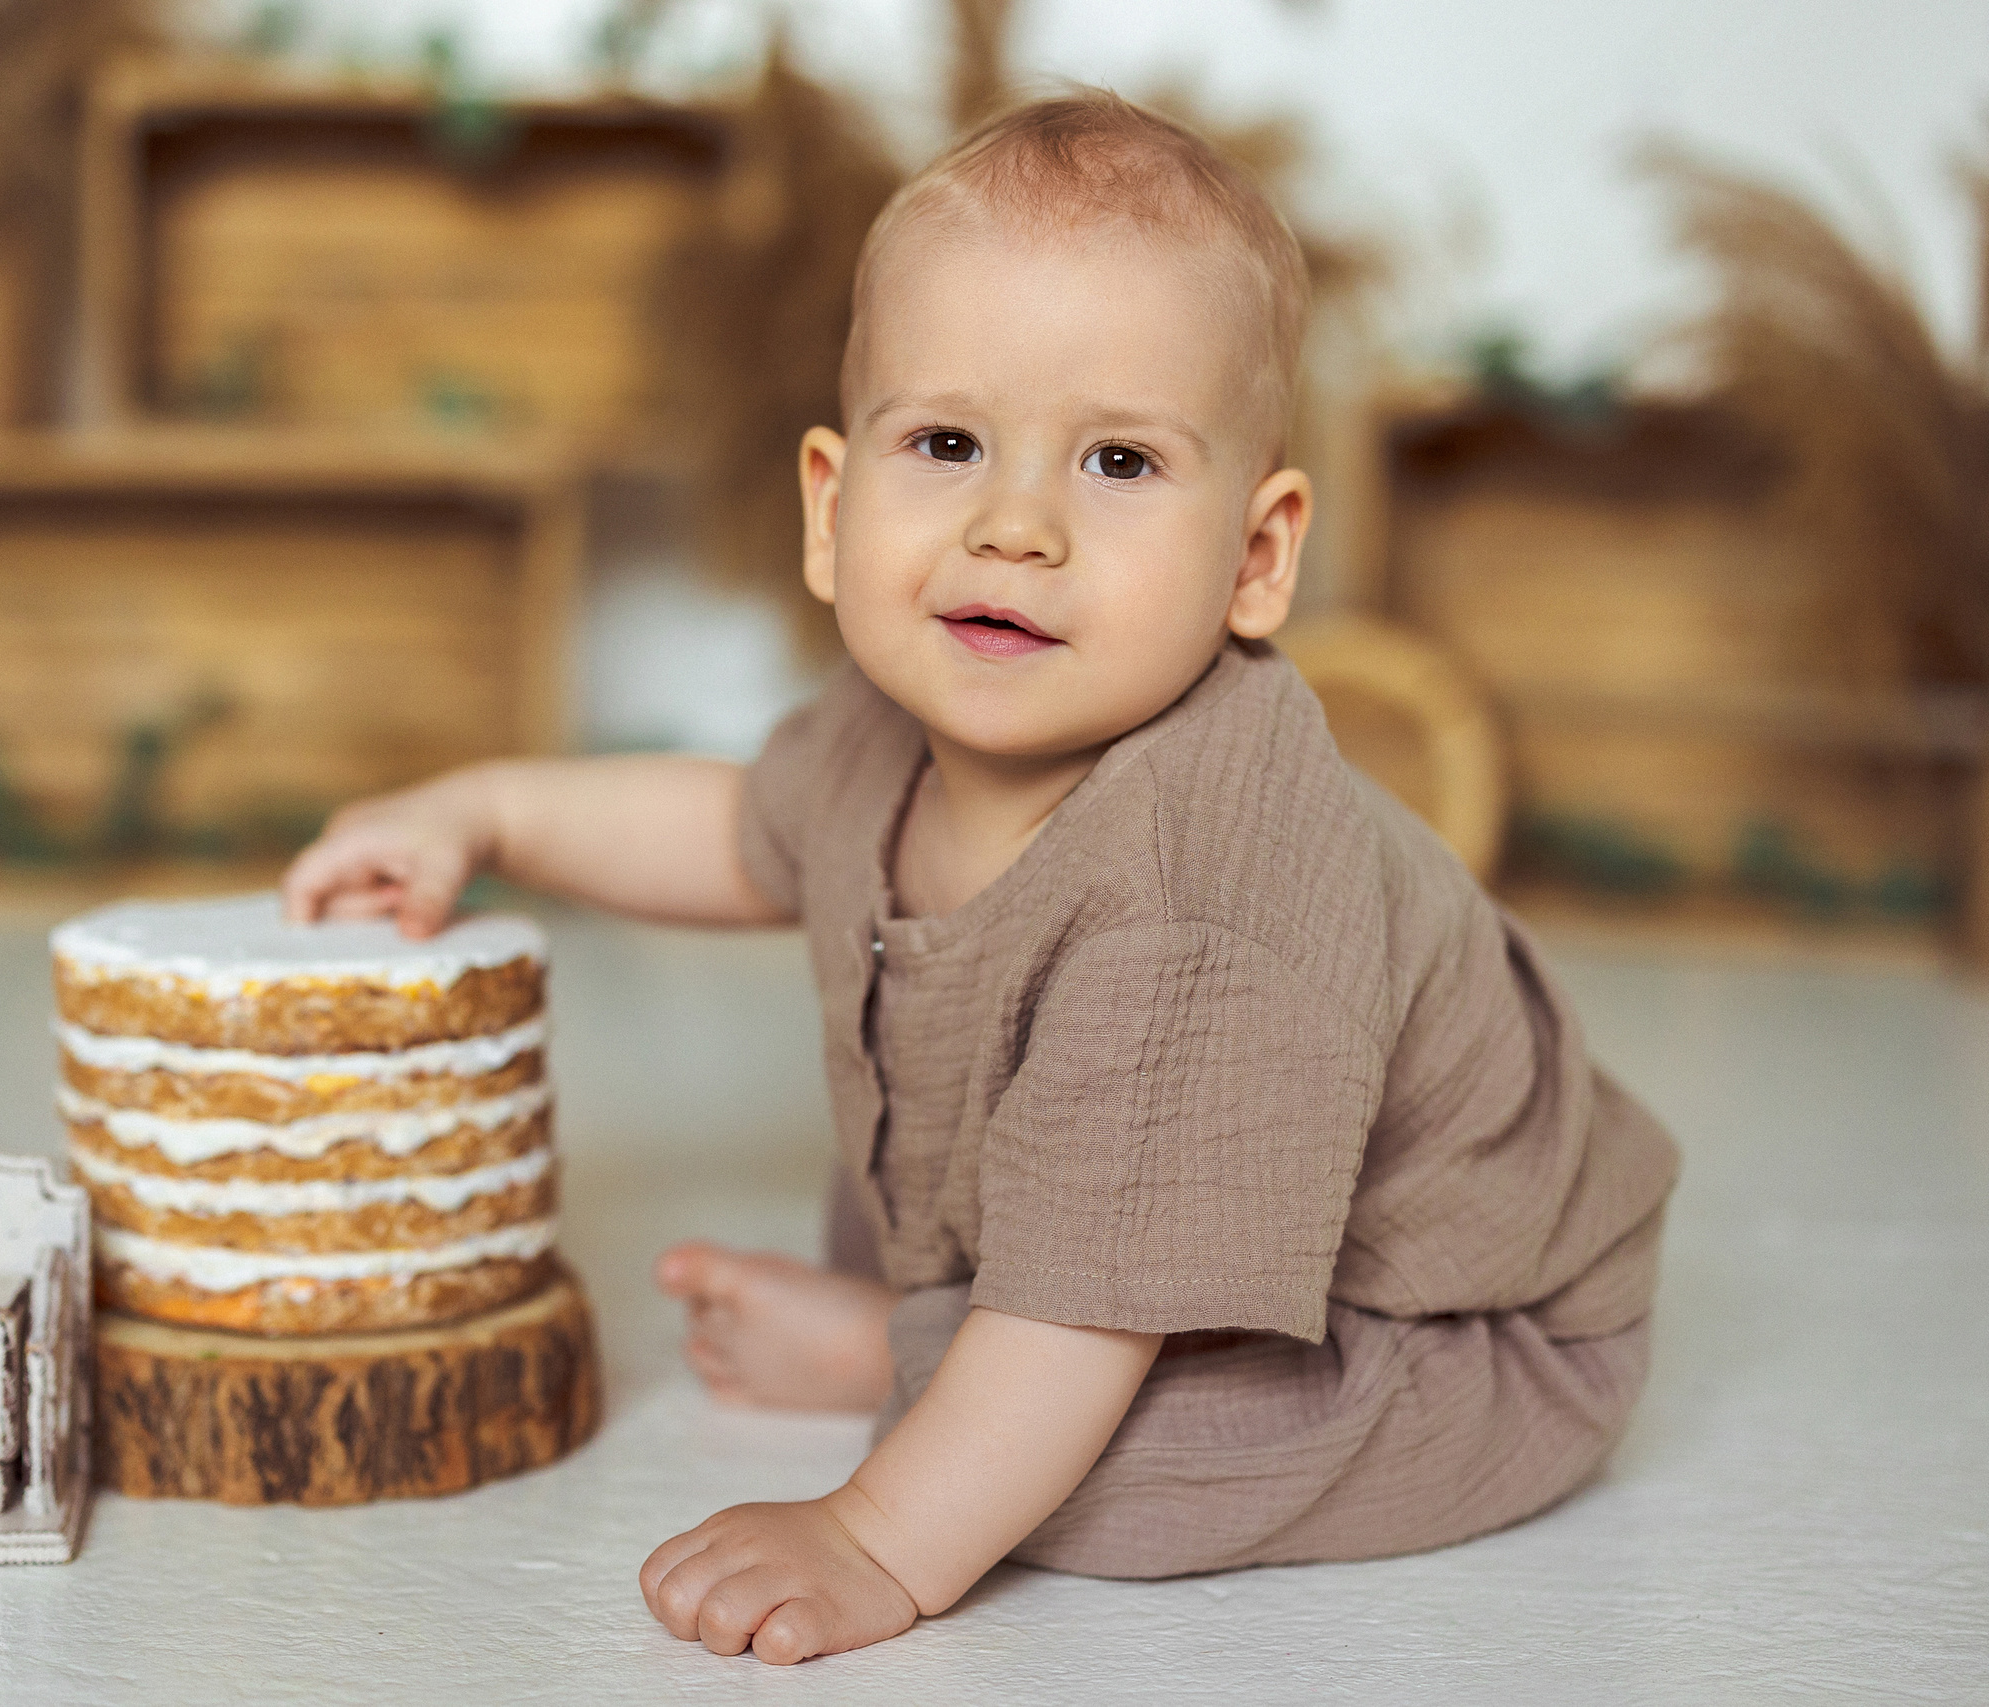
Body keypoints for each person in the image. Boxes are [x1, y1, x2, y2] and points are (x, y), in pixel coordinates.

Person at [281, 90, 1678, 1667]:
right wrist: (487, 813)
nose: (1016, 526)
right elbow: (742, 828)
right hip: (1123, 1229)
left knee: (1092, 1479)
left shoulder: (1200, 894)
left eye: (1120, 461)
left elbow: (1098, 1310)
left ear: (1256, 557)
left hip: (1449, 1330)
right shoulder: (898, 727)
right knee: (1027, 1383)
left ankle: (916, 1365)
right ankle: (937, 1352)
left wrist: (875, 1535)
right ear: (832, 508)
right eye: (947, 444)